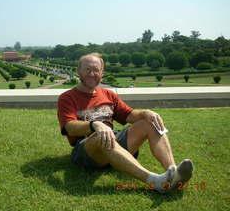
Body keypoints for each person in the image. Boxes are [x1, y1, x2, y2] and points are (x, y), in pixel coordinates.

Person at [57, 53, 193, 193]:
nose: (92, 74)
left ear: (102, 73)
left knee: (150, 122)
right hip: (87, 148)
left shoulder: (108, 95)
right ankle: (156, 182)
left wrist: (145, 113)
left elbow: (129, 115)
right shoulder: (67, 98)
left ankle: (173, 172)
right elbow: (70, 127)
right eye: (87, 69)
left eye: (96, 70)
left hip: (114, 141)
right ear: (78, 71)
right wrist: (94, 125)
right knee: (100, 136)